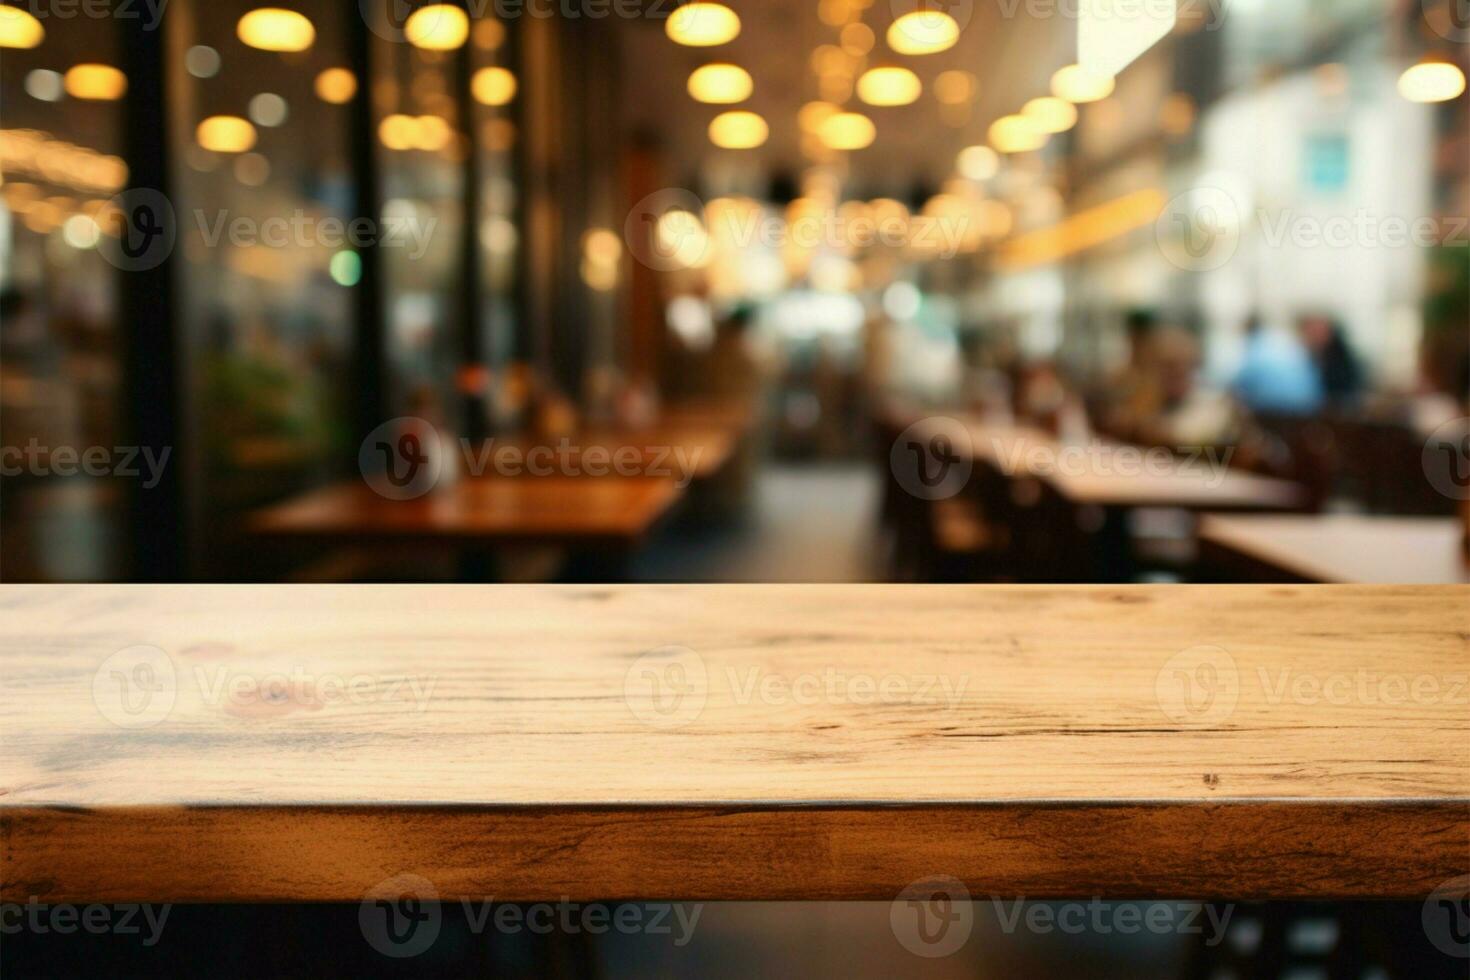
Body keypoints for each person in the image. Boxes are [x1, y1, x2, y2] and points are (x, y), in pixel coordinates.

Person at [1230, 313, 1323, 415]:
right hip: (1307, 413)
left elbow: (1239, 383)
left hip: (1271, 414)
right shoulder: (1290, 346)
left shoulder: (1256, 348)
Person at [1297, 313, 1363, 408]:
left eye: (1319, 331)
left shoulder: (1342, 360)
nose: (1315, 335)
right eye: (1312, 331)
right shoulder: (1301, 356)